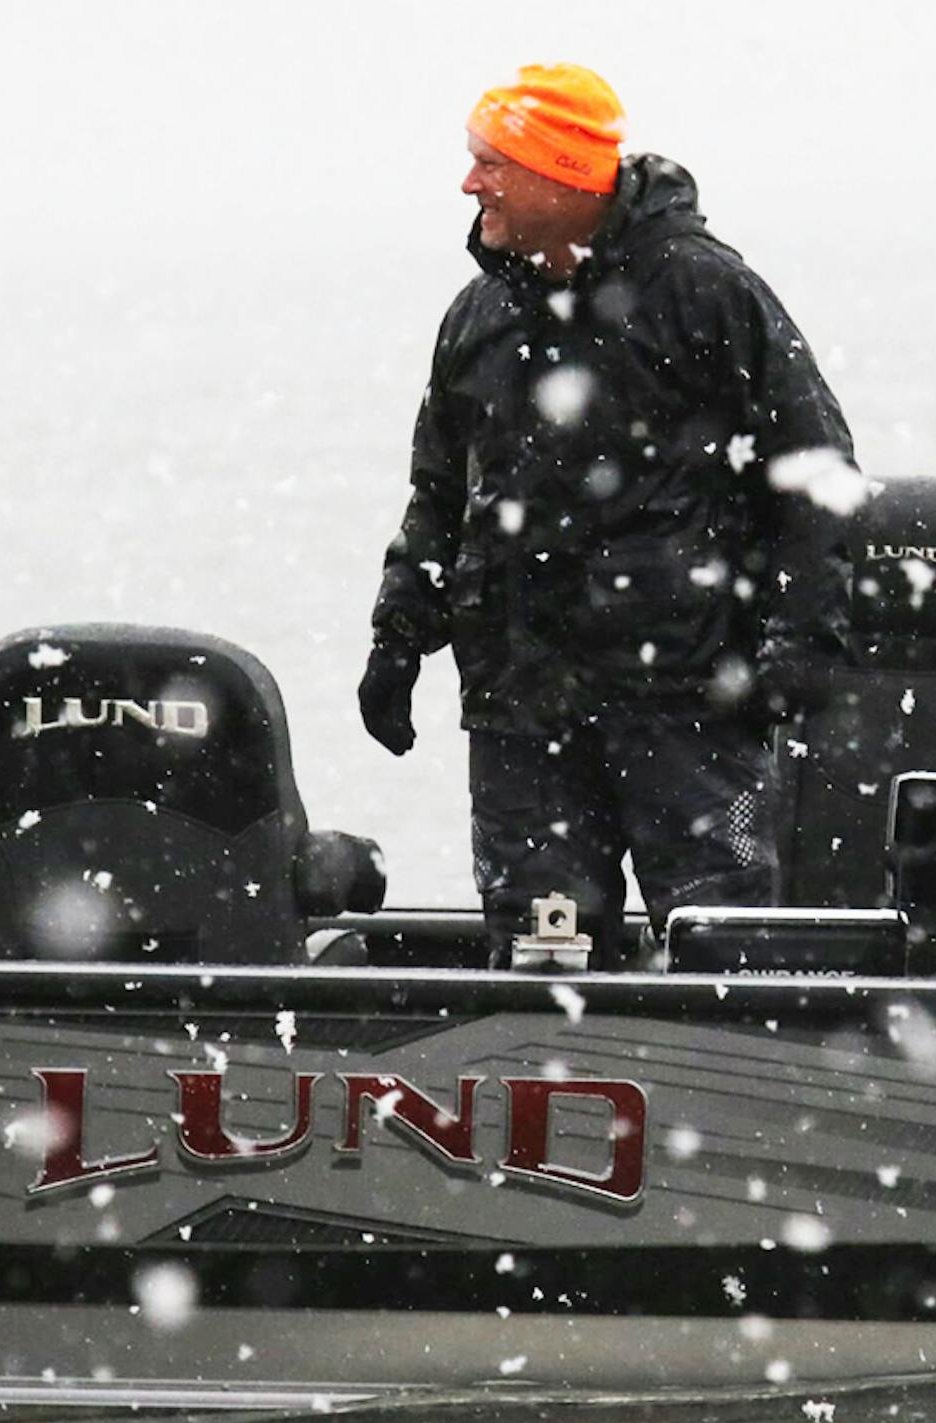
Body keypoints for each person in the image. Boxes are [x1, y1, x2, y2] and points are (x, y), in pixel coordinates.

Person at [359, 62, 860, 967]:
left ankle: (732, 1096)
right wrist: (399, 633)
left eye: (490, 163)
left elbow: (817, 475)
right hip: (521, 714)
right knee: (542, 965)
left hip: (688, 709)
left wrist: (800, 647)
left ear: (559, 173)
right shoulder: (476, 316)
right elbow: (439, 493)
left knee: (725, 967)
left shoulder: (709, 294)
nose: (470, 183)